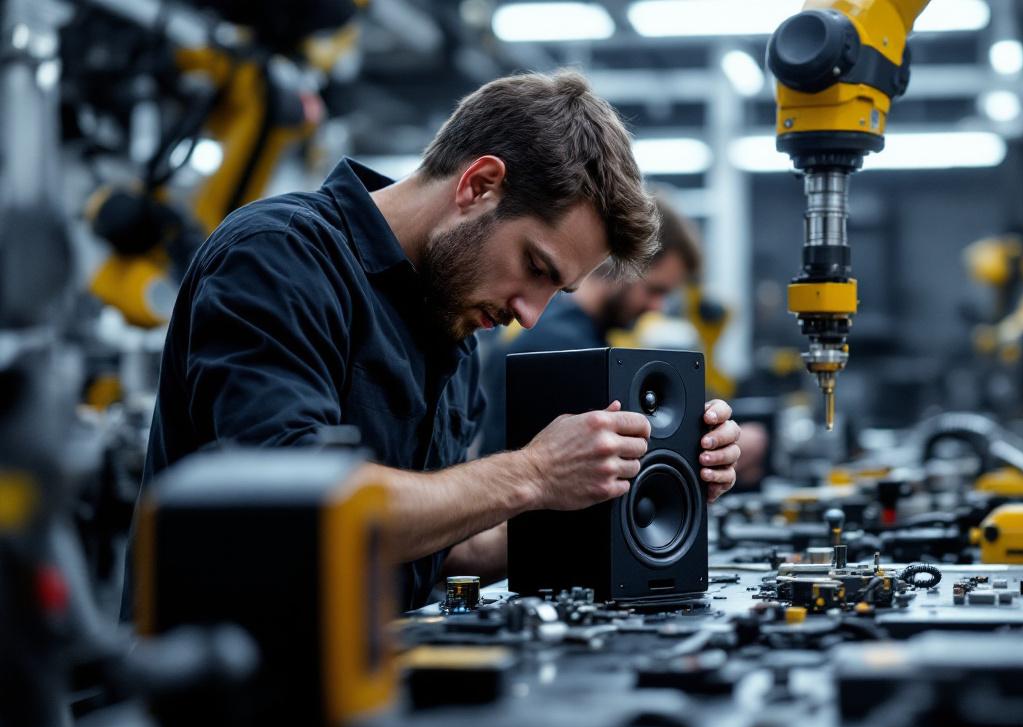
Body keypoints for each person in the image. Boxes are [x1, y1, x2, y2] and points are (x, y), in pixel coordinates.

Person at [124, 71, 742, 614]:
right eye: (536, 266)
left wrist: (649, 491)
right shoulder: (279, 257)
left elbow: (442, 546)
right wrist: (533, 472)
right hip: (222, 690)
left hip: (371, 682)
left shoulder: (452, 323)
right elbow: (297, 514)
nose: (531, 315)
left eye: (559, 290)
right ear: (478, 185)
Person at [477, 193, 701, 456]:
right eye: (654, 290)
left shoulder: (577, 335)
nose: (657, 307)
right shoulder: (562, 346)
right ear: (624, 266)